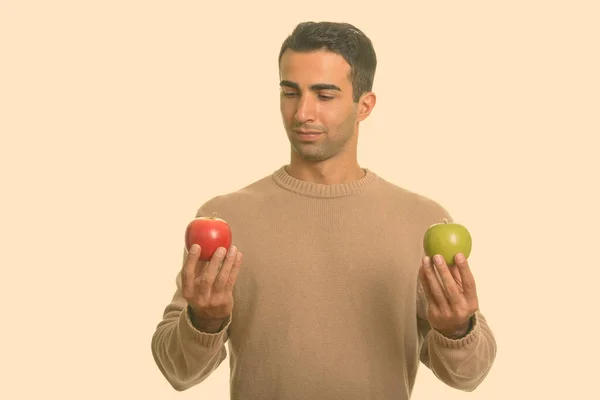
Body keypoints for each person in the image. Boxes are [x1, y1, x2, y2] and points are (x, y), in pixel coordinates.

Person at [150, 21, 497, 400]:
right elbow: (177, 371)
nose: (302, 113)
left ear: (364, 105)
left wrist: (457, 329)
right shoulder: (224, 218)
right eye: (290, 92)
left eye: (324, 95)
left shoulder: (421, 219)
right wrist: (205, 320)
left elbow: (469, 376)